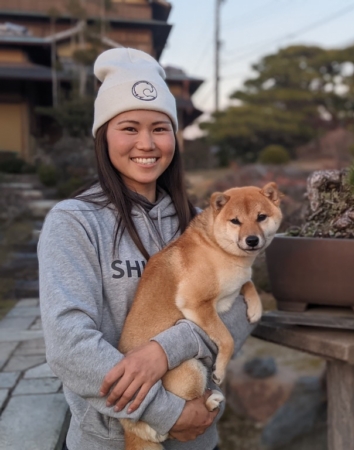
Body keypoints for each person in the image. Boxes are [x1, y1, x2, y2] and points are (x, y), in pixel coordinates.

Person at [38, 48, 255, 450]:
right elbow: (69, 345)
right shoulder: (75, 222)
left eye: (159, 128)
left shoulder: (201, 221)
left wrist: (164, 350)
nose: (147, 143)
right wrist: (167, 412)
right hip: (109, 439)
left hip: (198, 437)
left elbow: (242, 310)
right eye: (129, 127)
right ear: (104, 135)